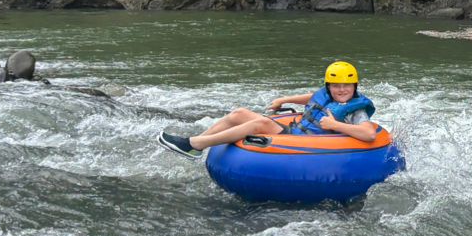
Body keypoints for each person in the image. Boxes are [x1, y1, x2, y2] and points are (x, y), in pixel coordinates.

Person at [157, 61, 379, 156]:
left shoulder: (355, 111)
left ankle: (194, 144)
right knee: (239, 114)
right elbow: (311, 98)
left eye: (346, 86)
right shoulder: (327, 94)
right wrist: (283, 99)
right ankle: (197, 147)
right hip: (296, 131)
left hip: (305, 143)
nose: (341, 90)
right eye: (336, 86)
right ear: (329, 86)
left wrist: (334, 124)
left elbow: (369, 134)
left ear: (355, 86)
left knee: (259, 123)